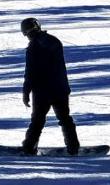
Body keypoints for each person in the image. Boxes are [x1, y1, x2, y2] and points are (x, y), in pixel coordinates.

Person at [19, 17, 80, 156]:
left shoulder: (33, 47)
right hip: (60, 89)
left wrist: (26, 92)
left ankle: (29, 148)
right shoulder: (54, 41)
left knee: (37, 121)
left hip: (42, 91)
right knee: (65, 119)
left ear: (27, 32)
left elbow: (30, 72)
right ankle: (73, 148)